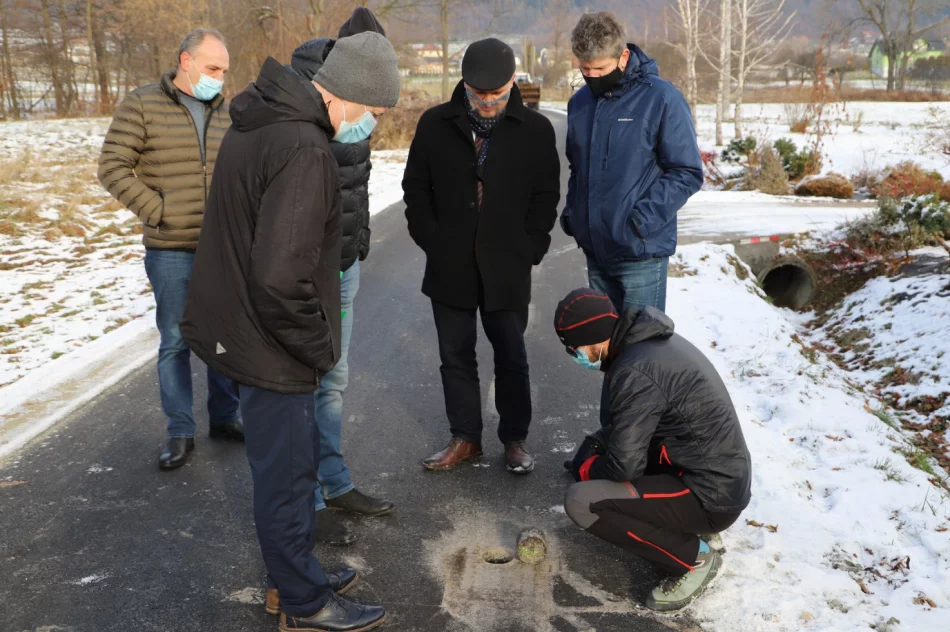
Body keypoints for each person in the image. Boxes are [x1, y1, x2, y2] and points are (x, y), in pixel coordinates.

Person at [179, 32, 400, 631]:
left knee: (287, 471)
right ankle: (303, 603)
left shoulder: (263, 119)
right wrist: (317, 348)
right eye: (373, 113)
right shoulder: (304, 148)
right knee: (287, 478)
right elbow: (281, 278)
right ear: (347, 94)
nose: (371, 125)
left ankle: (293, 574)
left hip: (243, 328)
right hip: (271, 343)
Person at [403, 38, 560, 474]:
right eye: (479, 94)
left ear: (513, 82)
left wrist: (531, 246)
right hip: (449, 264)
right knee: (455, 355)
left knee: (511, 355)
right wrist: (431, 239)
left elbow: (546, 195)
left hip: (507, 264)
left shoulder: (535, 129)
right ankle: (465, 437)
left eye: (497, 93)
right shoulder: (435, 124)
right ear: (465, 85)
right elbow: (415, 188)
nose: (488, 102)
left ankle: (515, 440)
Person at [553, 288, 752, 612]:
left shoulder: (634, 370)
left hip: (710, 497)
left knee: (582, 500)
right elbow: (637, 425)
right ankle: (689, 529)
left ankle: (693, 559)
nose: (574, 356)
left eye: (573, 348)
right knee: (607, 469)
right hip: (716, 477)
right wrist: (598, 443)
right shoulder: (648, 345)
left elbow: (625, 466)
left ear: (592, 339)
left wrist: (589, 469)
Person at [98, 28, 241, 470]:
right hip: (170, 248)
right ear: (186, 61)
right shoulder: (143, 103)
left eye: (224, 71)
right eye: (213, 68)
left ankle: (225, 417)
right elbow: (112, 167)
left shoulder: (228, 112)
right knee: (176, 340)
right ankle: (180, 431)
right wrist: (159, 211)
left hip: (220, 247)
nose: (219, 78)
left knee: (223, 336)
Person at [287, 7, 394, 548]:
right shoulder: (313, 99)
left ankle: (336, 483)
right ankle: (306, 500)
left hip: (344, 263)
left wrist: (361, 238)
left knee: (334, 380)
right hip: (309, 270)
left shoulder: (359, 105)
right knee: (305, 385)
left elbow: (357, 182)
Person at [561, 12, 703, 315]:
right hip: (596, 251)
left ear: (623, 57)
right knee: (605, 342)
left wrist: (641, 221)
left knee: (642, 340)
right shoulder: (579, 103)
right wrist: (574, 214)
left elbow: (687, 172)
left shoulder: (662, 98)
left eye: (601, 68)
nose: (593, 76)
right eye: (585, 69)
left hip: (641, 252)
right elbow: (577, 168)